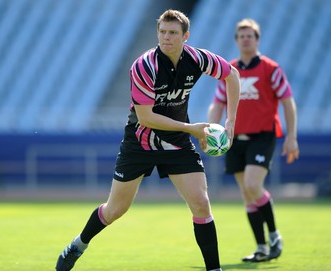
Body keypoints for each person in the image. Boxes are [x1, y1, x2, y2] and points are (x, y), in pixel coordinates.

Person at [55, 9, 240, 271]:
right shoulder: (144, 66)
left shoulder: (197, 58)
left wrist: (230, 120)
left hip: (176, 141)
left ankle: (214, 269)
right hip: (140, 143)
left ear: (185, 36)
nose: (166, 37)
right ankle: (78, 244)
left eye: (173, 33)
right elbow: (146, 118)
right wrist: (193, 129)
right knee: (115, 210)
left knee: (201, 203)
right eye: (162, 32)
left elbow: (232, 74)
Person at [208, 18, 299, 263]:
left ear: (257, 40)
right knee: (247, 194)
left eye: (250, 35)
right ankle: (261, 247)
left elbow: (288, 102)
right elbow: (217, 104)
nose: (246, 39)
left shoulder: (271, 68)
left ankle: (274, 236)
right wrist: (209, 131)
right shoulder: (229, 71)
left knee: (252, 184)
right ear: (236, 40)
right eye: (242, 36)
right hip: (234, 138)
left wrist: (291, 136)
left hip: (263, 135)